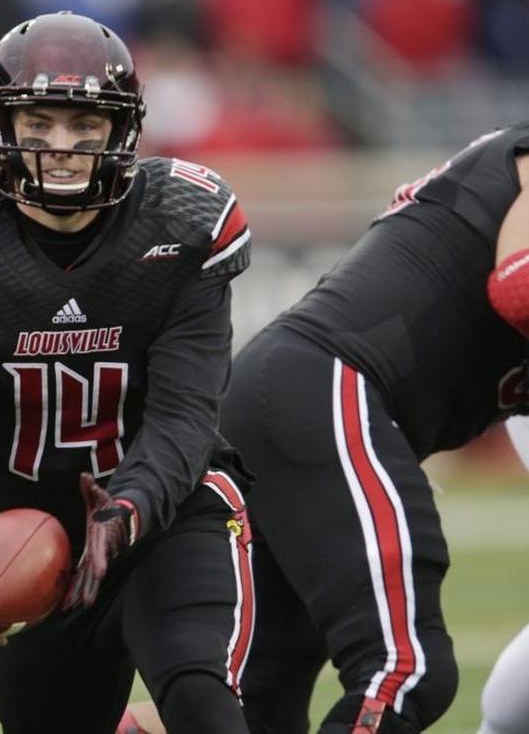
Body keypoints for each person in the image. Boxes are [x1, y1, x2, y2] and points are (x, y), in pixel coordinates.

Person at [0, 11, 254, 734]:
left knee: (201, 696)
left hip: (165, 514)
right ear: (1, 130)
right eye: (38, 124)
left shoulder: (182, 222)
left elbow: (185, 416)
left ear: (120, 132)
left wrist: (130, 507)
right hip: (34, 544)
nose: (62, 147)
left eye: (85, 125)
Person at [219, 123, 529, 733]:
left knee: (254, 706)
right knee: (403, 671)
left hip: (290, 397)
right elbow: (519, 286)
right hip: (322, 390)